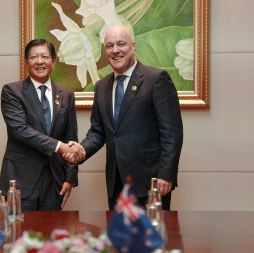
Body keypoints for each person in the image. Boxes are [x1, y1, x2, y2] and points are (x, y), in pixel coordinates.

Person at [65, 25, 183, 210]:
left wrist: (166, 174)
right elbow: (98, 131)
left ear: (133, 46)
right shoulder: (101, 86)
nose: (115, 50)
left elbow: (172, 132)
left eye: (121, 44)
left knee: (151, 237)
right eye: (110, 46)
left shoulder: (156, 79)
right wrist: (81, 150)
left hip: (150, 182)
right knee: (119, 238)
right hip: (116, 182)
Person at [0, 39, 82, 210]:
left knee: (52, 234)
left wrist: (70, 178)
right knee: (18, 233)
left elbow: (71, 136)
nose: (40, 61)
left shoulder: (66, 94)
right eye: (34, 57)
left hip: (54, 181)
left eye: (45, 57)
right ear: (26, 62)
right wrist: (60, 147)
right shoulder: (12, 91)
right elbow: (20, 130)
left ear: (54, 62)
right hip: (20, 181)